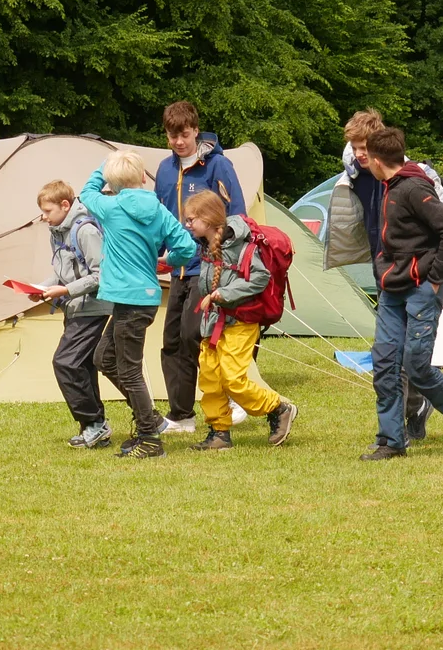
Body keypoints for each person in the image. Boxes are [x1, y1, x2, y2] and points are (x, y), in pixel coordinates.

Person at [360, 124, 443, 460]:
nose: (363, 161)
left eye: (366, 156)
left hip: (420, 290)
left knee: (416, 366)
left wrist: (434, 278)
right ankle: (391, 441)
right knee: (385, 364)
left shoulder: (414, 188)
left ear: (377, 160)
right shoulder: (389, 186)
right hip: (392, 289)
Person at [81, 151, 200, 459]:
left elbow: (86, 192)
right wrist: (169, 261)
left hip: (128, 301)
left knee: (129, 371)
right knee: (104, 358)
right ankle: (151, 419)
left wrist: (104, 164)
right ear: (141, 177)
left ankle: (149, 439)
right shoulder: (159, 210)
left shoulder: (110, 207)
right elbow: (187, 247)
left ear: (113, 182)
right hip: (142, 300)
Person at [328, 109, 431, 445]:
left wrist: (433, 269)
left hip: (414, 273)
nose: (359, 153)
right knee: (388, 353)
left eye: (364, 147)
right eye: (354, 147)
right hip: (382, 268)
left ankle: (417, 408)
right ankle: (399, 426)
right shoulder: (354, 175)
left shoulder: (407, 175)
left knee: (410, 353)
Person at [153, 100, 248, 437]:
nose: (178, 141)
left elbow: (237, 217)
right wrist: (155, 255)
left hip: (208, 267)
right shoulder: (165, 170)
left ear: (196, 130)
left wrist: (223, 258)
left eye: (184, 134)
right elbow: (159, 218)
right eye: (172, 135)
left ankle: (231, 398)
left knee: (197, 336)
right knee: (172, 341)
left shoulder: (218, 166)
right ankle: (181, 415)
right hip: (177, 269)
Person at [180, 190, 296, 451]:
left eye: (191, 220)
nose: (187, 225)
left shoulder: (241, 245)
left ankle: (278, 408)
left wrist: (224, 293)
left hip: (240, 321)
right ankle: (219, 432)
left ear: (208, 219)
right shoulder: (206, 245)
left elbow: (260, 277)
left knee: (233, 378)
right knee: (210, 376)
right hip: (214, 322)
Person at [30, 179, 111, 450]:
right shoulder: (57, 231)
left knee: (65, 362)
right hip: (75, 307)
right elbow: (62, 271)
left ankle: (94, 423)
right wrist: (42, 288)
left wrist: (65, 290)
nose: (44, 217)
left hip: (93, 307)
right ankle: (95, 427)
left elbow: (101, 275)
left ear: (65, 205)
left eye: (47, 211)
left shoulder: (85, 230)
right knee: (83, 366)